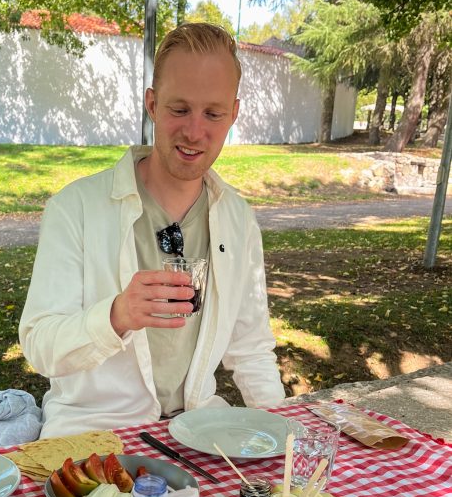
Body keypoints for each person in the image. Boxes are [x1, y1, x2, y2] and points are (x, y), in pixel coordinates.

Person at [19, 22, 285, 438]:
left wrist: (281, 437)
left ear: (234, 114)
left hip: (198, 431)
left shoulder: (237, 218)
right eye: (179, 109)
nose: (195, 132)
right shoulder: (76, 209)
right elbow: (40, 346)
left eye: (213, 113)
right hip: (93, 435)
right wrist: (117, 315)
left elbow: (250, 349)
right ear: (152, 104)